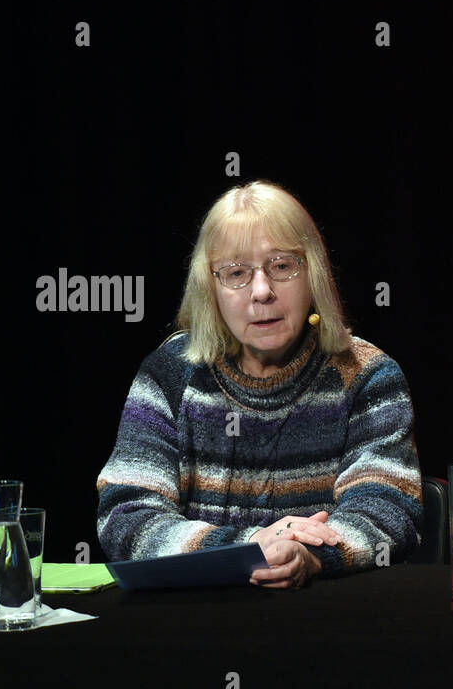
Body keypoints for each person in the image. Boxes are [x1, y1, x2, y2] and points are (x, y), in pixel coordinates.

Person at [97, 181, 423, 588]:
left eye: (283, 266)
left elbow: (388, 511)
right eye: (236, 273)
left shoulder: (368, 376)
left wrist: (310, 556)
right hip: (191, 628)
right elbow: (127, 517)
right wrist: (250, 547)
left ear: (313, 275)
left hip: (328, 627)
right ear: (210, 288)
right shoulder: (169, 374)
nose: (262, 291)